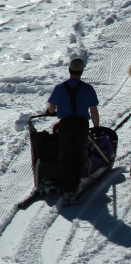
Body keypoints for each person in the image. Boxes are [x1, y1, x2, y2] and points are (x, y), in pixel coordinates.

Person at [46, 57, 100, 201]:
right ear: (82, 71)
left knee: (66, 156)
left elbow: (51, 108)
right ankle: (76, 185)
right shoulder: (88, 89)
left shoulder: (59, 87)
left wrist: (51, 112)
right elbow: (94, 112)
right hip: (81, 125)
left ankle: (67, 187)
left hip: (65, 125)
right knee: (78, 155)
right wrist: (97, 127)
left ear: (69, 70)